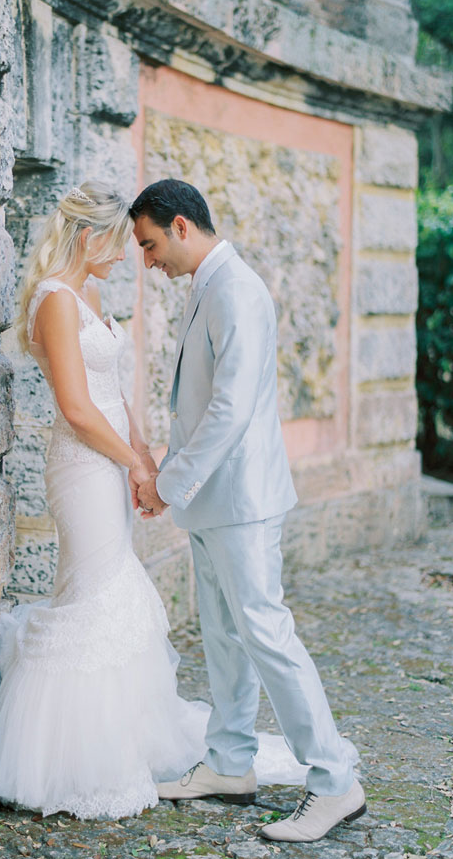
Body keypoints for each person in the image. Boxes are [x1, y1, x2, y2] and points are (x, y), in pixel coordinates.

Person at [0, 181, 311, 821]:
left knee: (117, 597)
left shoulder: (91, 294)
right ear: (89, 237)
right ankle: (73, 759)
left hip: (114, 457)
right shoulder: (54, 300)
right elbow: (77, 408)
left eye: (143, 242)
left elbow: (114, 391)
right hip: (82, 465)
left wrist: (143, 452)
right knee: (97, 594)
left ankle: (126, 743)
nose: (131, 256)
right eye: (121, 242)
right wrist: (135, 463)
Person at [130, 179, 366, 843]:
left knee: (266, 633)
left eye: (149, 245)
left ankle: (334, 780)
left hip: (243, 500)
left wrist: (167, 483)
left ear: (181, 226)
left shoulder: (237, 290)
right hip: (214, 500)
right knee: (225, 635)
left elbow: (231, 410)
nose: (148, 261)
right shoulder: (209, 285)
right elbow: (202, 405)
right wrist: (174, 480)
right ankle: (231, 764)